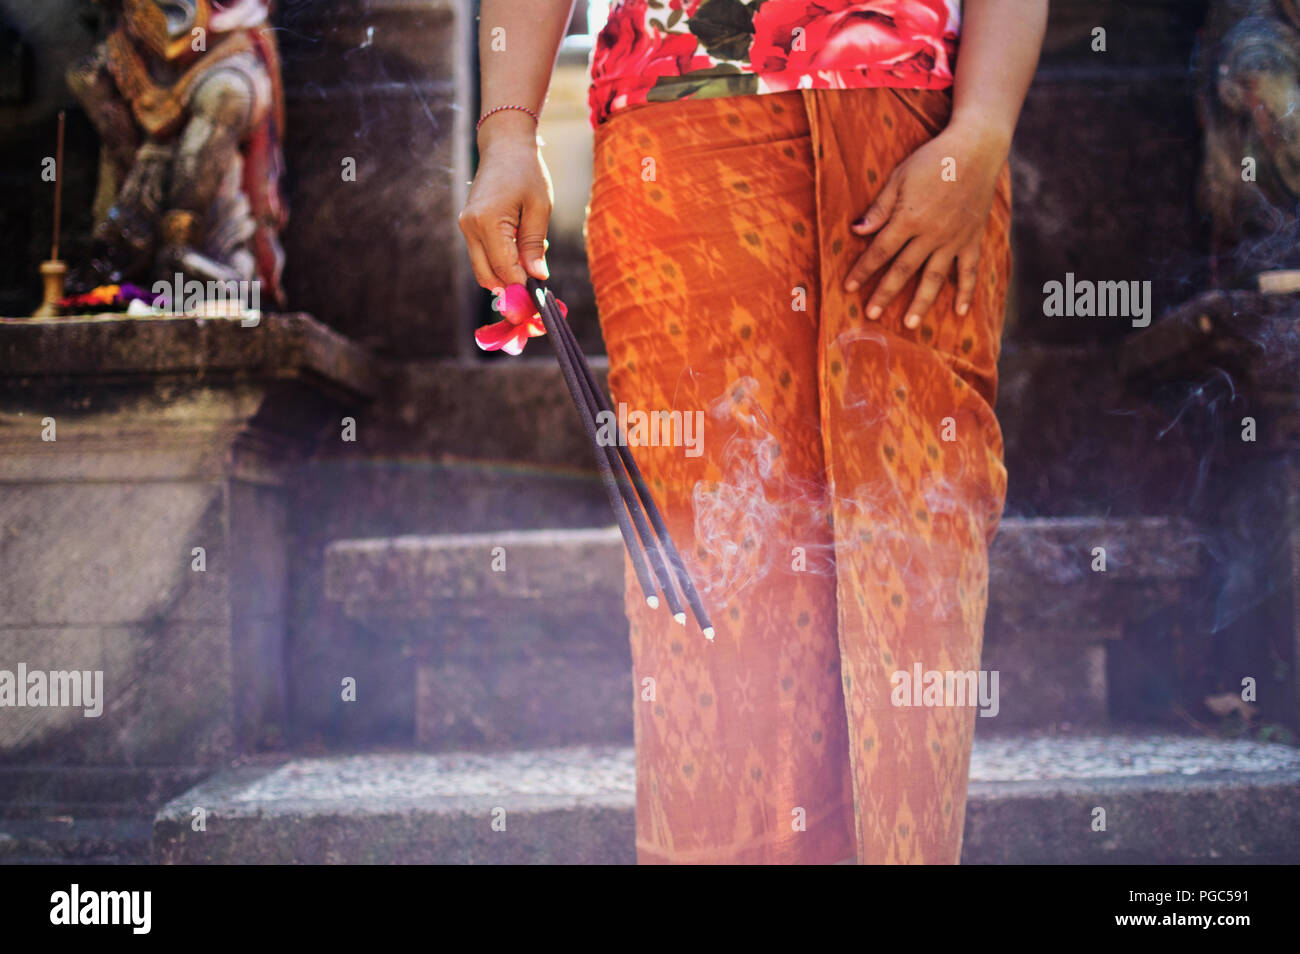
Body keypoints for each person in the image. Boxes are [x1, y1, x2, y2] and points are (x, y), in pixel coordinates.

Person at [459, 0, 1047, 864]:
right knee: (716, 581)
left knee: (917, 567)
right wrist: (509, 132)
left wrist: (984, 128)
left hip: (917, 147)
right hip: (681, 144)